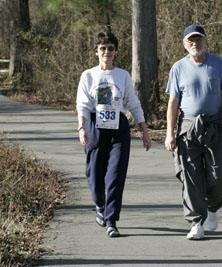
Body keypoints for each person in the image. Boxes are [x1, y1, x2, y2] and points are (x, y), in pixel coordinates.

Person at [165, 25, 222, 240]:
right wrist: (170, 133)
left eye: (198, 40)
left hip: (215, 125)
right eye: (191, 41)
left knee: (218, 174)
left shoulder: (218, 63)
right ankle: (196, 221)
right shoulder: (178, 68)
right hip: (188, 126)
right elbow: (173, 102)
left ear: (205, 41)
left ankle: (213, 205)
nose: (195, 44)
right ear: (185, 44)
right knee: (191, 176)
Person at [76, 30, 151, 238]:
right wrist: (82, 128)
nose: (106, 52)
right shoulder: (88, 75)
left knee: (116, 174)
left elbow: (133, 104)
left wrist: (144, 130)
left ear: (116, 51)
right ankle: (99, 204)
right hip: (94, 124)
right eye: (102, 48)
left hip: (118, 126)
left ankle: (111, 221)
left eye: (110, 48)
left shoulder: (122, 75)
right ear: (96, 52)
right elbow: (82, 105)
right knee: (94, 174)